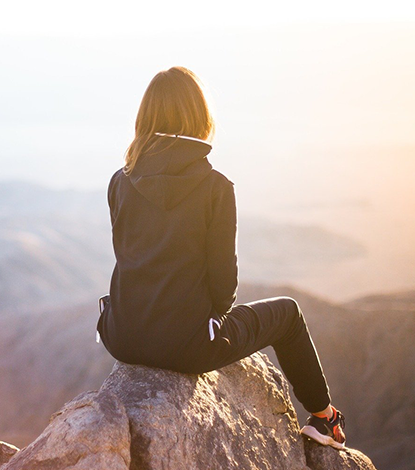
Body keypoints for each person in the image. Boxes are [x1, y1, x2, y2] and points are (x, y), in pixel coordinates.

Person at [96, 66, 347, 449]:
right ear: (200, 117)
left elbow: (128, 257)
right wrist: (207, 323)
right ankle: (323, 418)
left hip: (121, 336)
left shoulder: (120, 179)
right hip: (188, 346)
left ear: (144, 118)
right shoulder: (215, 188)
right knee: (289, 314)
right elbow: (224, 289)